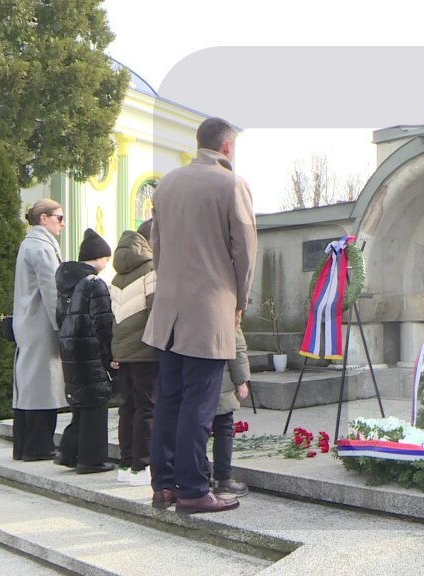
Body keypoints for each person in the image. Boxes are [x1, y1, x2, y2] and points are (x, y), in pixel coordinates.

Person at [143, 117, 257, 514]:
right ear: (227, 147)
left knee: (169, 399)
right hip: (209, 309)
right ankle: (193, 489)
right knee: (200, 401)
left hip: (168, 311)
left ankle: (164, 486)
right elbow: (244, 251)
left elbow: (156, 247)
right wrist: (240, 300)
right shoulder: (231, 184)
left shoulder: (167, 184)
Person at [53, 229, 116, 474]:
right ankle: (91, 459)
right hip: (90, 349)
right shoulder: (94, 284)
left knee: (80, 402)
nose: (106, 264)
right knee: (96, 403)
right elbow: (103, 323)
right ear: (98, 257)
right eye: (106, 259)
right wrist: (110, 354)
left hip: (70, 348)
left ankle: (67, 452)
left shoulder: (67, 283)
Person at [12, 199, 67, 461]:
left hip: (29, 322)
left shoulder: (29, 244)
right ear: (43, 218)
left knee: (29, 386)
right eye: (59, 217)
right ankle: (38, 446)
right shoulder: (42, 247)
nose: (62, 224)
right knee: (43, 387)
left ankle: (24, 446)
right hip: (41, 324)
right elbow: (52, 291)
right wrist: (63, 325)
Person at [110, 219, 158, 486]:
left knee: (127, 408)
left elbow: (112, 316)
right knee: (148, 409)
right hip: (145, 350)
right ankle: (143, 466)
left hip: (123, 351)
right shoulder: (152, 270)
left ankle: (126, 464)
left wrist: (115, 349)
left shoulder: (118, 275)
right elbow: (155, 312)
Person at [210, 325, 251, 498]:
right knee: (223, 429)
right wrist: (241, 380)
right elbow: (238, 351)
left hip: (195, 384)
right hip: (221, 384)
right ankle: (223, 479)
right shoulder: (228, 314)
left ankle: (201, 474)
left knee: (197, 430)